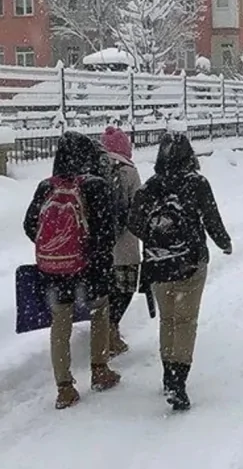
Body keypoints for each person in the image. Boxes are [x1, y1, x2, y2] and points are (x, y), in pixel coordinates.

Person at [128, 132, 232, 411]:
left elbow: (133, 222)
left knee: (168, 320)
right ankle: (178, 381)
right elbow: (211, 218)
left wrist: (155, 235)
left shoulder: (150, 187)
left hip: (157, 264)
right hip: (189, 262)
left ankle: (167, 374)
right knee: (185, 322)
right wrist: (224, 242)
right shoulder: (197, 183)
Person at [23, 131, 121, 410]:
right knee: (100, 311)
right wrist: (89, 253)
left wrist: (56, 247)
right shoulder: (95, 185)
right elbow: (107, 231)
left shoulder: (46, 187)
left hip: (53, 270)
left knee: (60, 323)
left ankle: (64, 387)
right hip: (90, 268)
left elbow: (30, 225)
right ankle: (100, 369)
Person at [100, 126, 142, 357]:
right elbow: (139, 206)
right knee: (124, 289)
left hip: (99, 245)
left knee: (105, 290)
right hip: (124, 245)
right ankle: (111, 330)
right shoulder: (128, 171)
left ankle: (103, 331)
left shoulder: (93, 167)